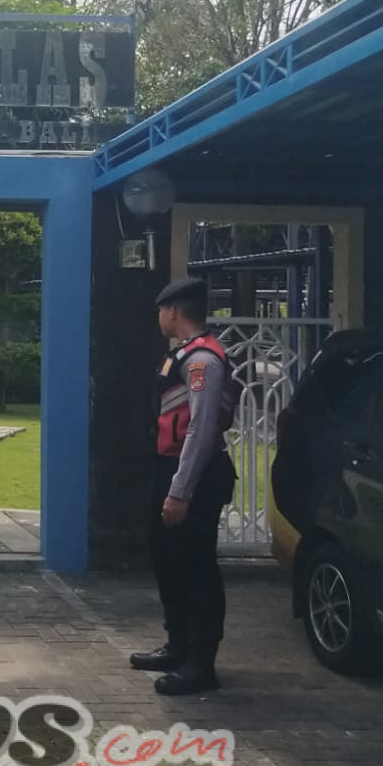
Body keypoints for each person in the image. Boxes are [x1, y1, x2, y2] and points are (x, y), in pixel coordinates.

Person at [130, 276, 239, 695]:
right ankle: (177, 646)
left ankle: (200, 664)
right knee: (167, 560)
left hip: (194, 473)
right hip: (170, 468)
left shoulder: (203, 362)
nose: (159, 316)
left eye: (162, 310)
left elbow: (200, 430)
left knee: (196, 569)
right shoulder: (182, 355)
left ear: (174, 311)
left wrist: (181, 491)